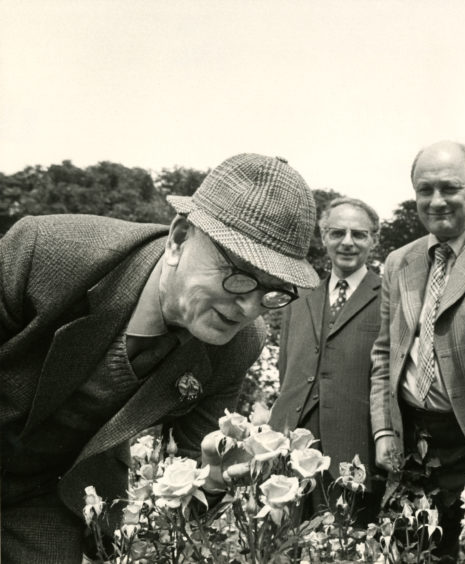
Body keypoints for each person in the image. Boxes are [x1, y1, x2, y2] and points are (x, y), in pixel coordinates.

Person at [0, 153, 320, 563]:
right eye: (238, 274)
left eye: (272, 292)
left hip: (47, 497)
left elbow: (196, 469)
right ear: (180, 237)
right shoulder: (45, 253)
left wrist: (216, 479)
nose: (248, 308)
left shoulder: (237, 345)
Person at [370, 140, 465, 562]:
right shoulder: (399, 262)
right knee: (414, 555)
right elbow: (384, 354)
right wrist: (384, 430)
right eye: (424, 190)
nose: (436, 201)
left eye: (450, 188)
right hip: (412, 441)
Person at [269, 197, 382, 523]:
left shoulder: (389, 296)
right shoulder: (300, 296)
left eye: (358, 234)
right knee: (281, 548)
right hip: (288, 450)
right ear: (323, 237)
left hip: (352, 450)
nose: (347, 242)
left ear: (373, 239)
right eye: (337, 233)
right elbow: (285, 368)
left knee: (345, 549)